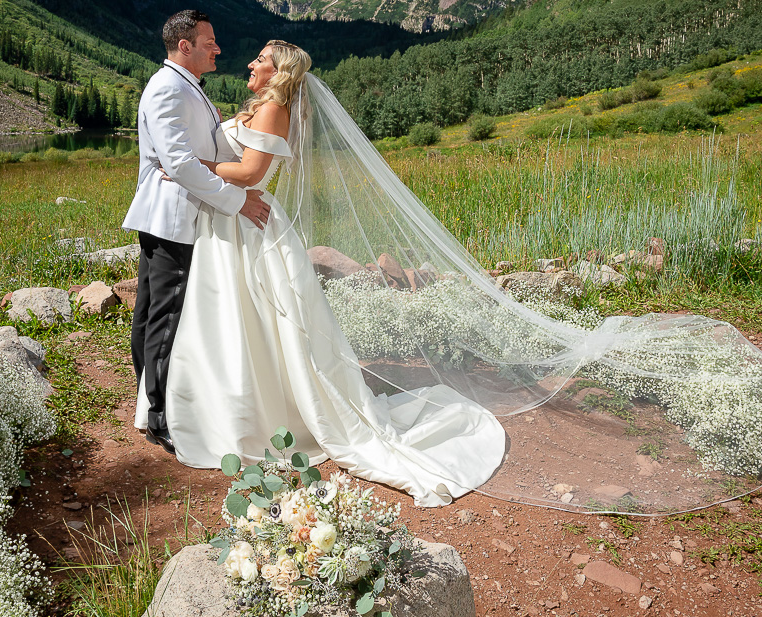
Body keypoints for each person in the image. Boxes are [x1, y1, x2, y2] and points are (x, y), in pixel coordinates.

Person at [135, 36, 762, 514]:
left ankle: (265, 411)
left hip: (250, 223)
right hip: (233, 230)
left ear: (280, 70)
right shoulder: (257, 105)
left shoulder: (273, 112)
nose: (249, 63)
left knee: (266, 326)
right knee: (235, 326)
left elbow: (248, 176)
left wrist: (182, 169)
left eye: (261, 60)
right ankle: (226, 405)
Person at [122, 10, 270, 455]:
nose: (218, 48)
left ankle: (147, 403)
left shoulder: (182, 86)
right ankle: (161, 414)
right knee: (164, 317)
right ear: (184, 46)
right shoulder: (169, 88)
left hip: (164, 215)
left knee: (150, 312)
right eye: (209, 42)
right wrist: (238, 200)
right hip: (172, 217)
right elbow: (179, 163)